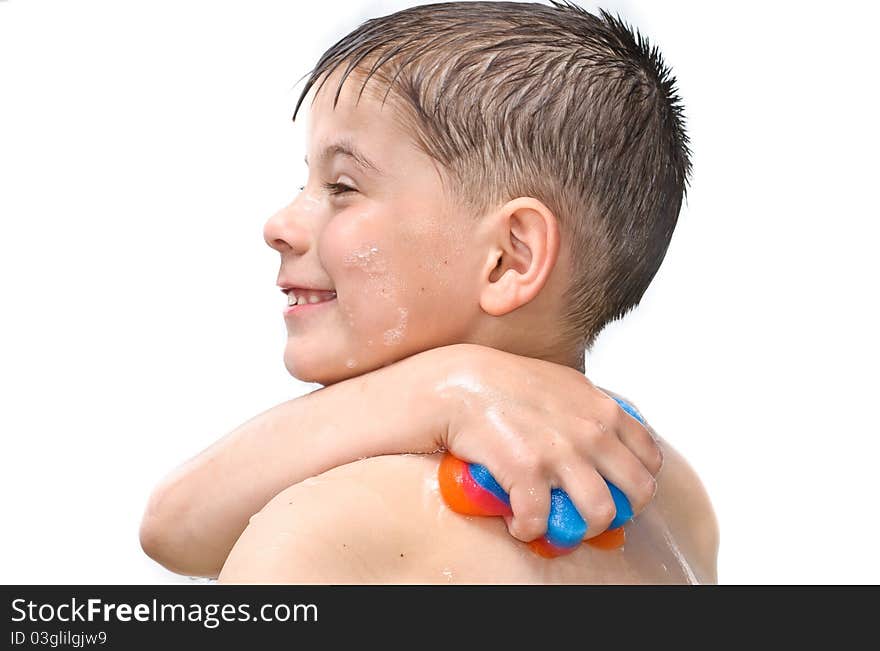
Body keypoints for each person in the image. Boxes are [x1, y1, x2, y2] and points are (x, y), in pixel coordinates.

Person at [139, 1, 718, 584]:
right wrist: (443, 391)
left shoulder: (330, 533)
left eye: (342, 186)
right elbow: (171, 527)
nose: (278, 225)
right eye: (304, 182)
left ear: (509, 256)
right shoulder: (674, 501)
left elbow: (176, 531)